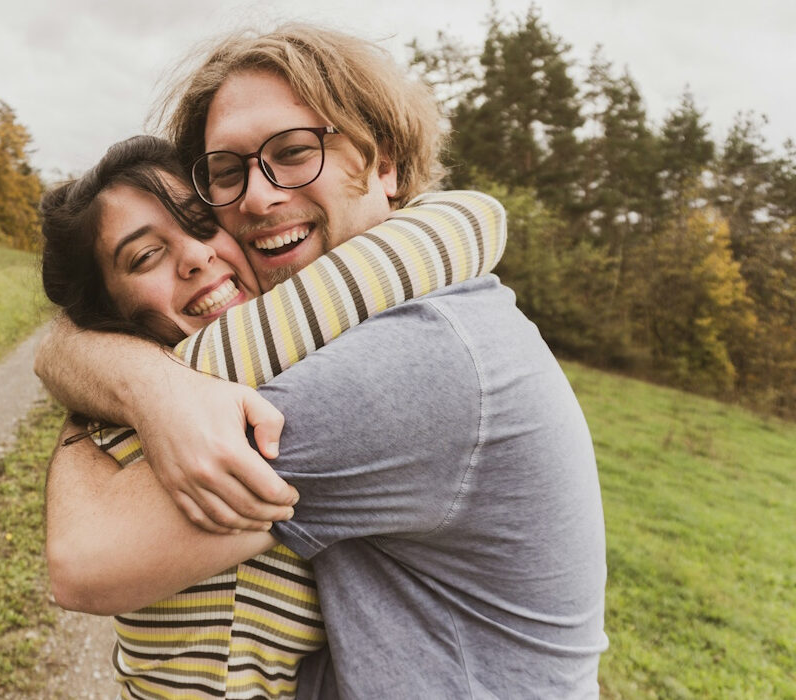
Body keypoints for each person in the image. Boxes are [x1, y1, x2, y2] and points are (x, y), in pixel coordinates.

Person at [42, 25, 607, 698]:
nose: (256, 196)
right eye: (228, 172)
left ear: (386, 166)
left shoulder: (414, 360)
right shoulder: (357, 324)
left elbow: (90, 556)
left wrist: (120, 382)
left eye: (293, 152)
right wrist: (127, 378)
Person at [40, 135, 506, 698]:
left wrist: (93, 373)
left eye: (202, 222)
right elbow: (469, 223)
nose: (195, 256)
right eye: (144, 257)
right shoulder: (233, 395)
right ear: (109, 311)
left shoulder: (145, 394)